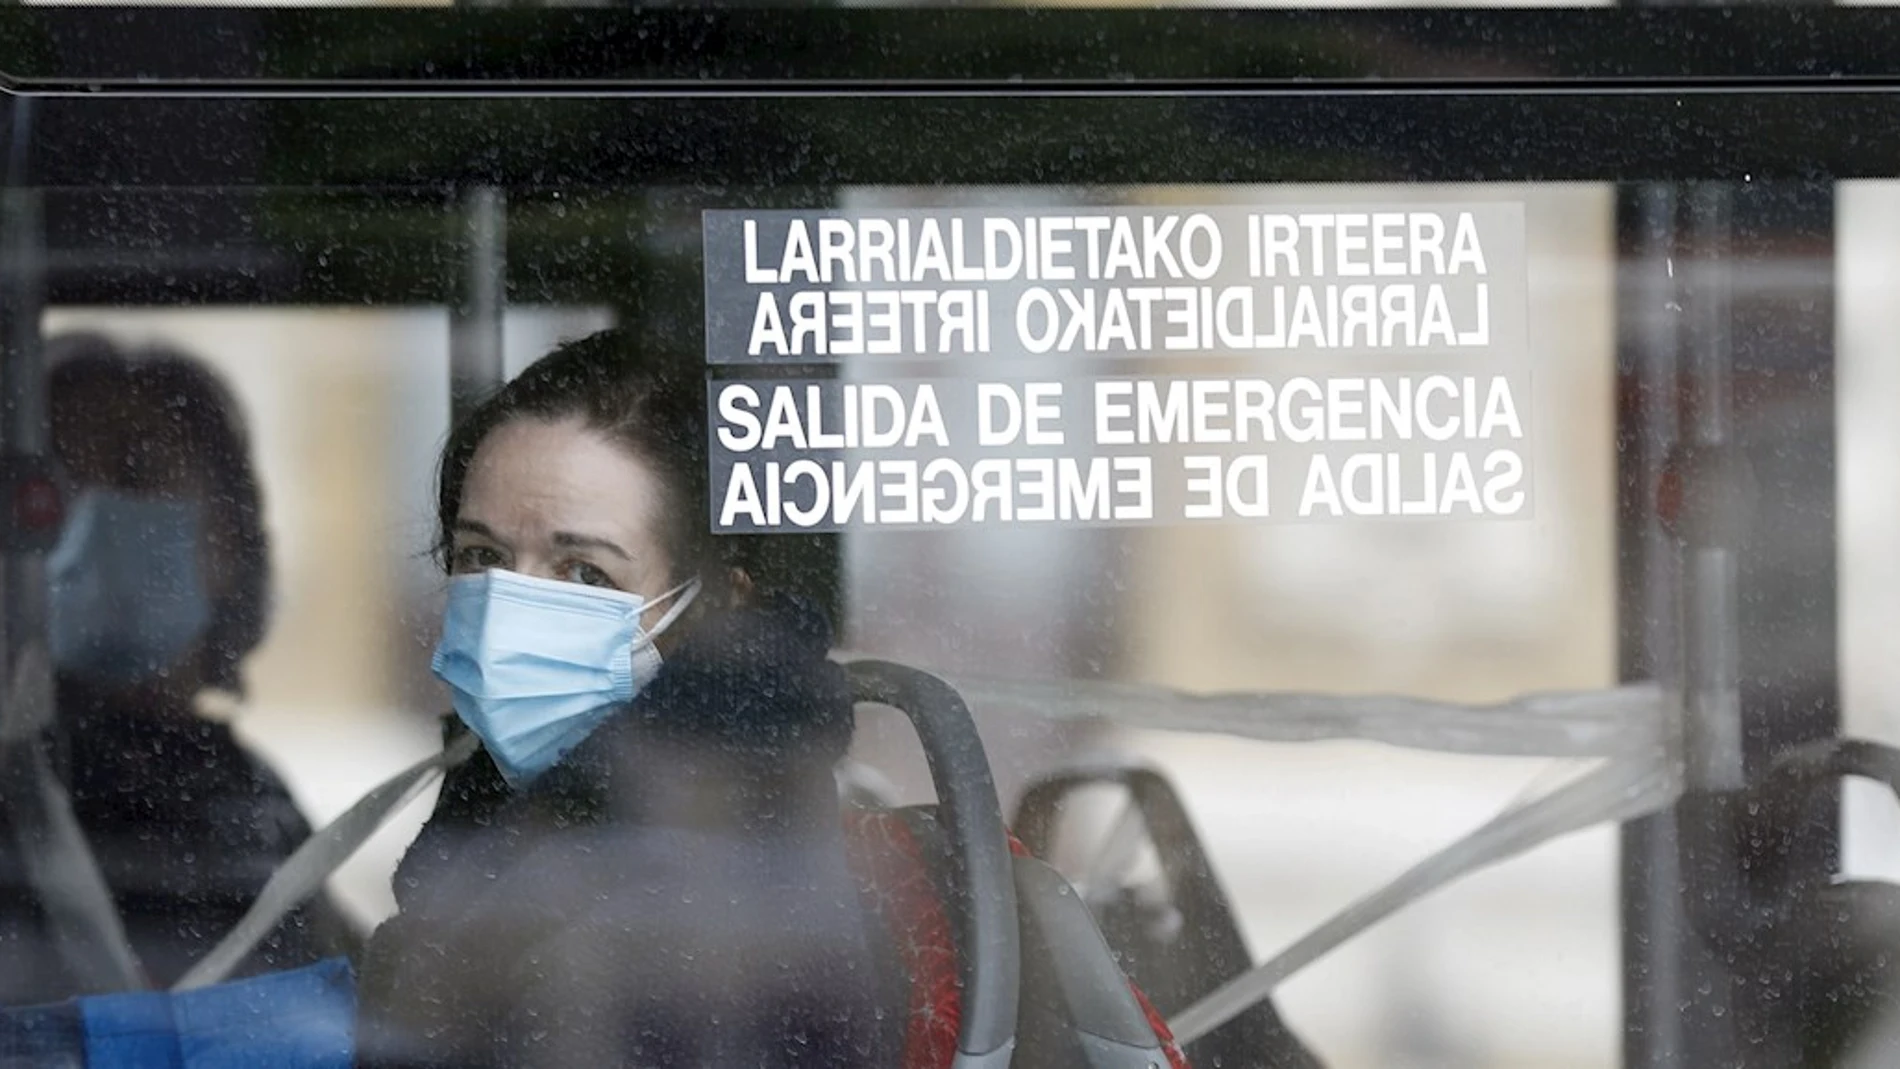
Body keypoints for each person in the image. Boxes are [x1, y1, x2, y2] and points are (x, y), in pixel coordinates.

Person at [355, 330, 899, 1067]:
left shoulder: (701, 887)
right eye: (482, 556)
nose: (512, 607)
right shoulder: (537, 820)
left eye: (584, 572)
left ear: (714, 609)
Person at [0, 333, 358, 1005]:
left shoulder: (251, 794)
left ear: (227, 535)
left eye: (134, 472)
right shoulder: (26, 787)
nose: (90, 518)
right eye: (60, 487)